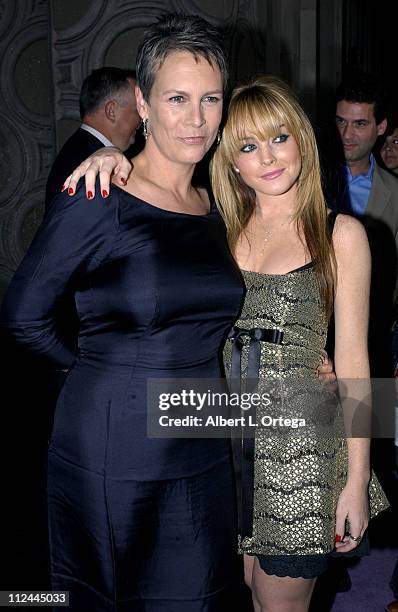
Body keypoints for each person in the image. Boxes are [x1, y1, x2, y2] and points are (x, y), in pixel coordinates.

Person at [1, 15, 244, 611]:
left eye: (210, 99)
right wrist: (95, 372)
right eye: (176, 98)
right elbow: (21, 316)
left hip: (201, 435)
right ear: (142, 100)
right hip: (114, 448)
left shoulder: (214, 205)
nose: (195, 119)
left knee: (204, 594)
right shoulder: (98, 196)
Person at [209, 75, 388, 612]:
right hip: (222, 445)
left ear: (302, 140)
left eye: (279, 137)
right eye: (247, 144)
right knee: (244, 595)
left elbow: (355, 362)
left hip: (300, 455)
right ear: (231, 160)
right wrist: (111, 162)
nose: (267, 156)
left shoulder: (342, 236)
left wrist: (356, 481)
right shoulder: (214, 231)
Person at [45, 67, 140, 210]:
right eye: (138, 110)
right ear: (111, 111)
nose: (143, 119)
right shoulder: (90, 164)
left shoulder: (78, 149)